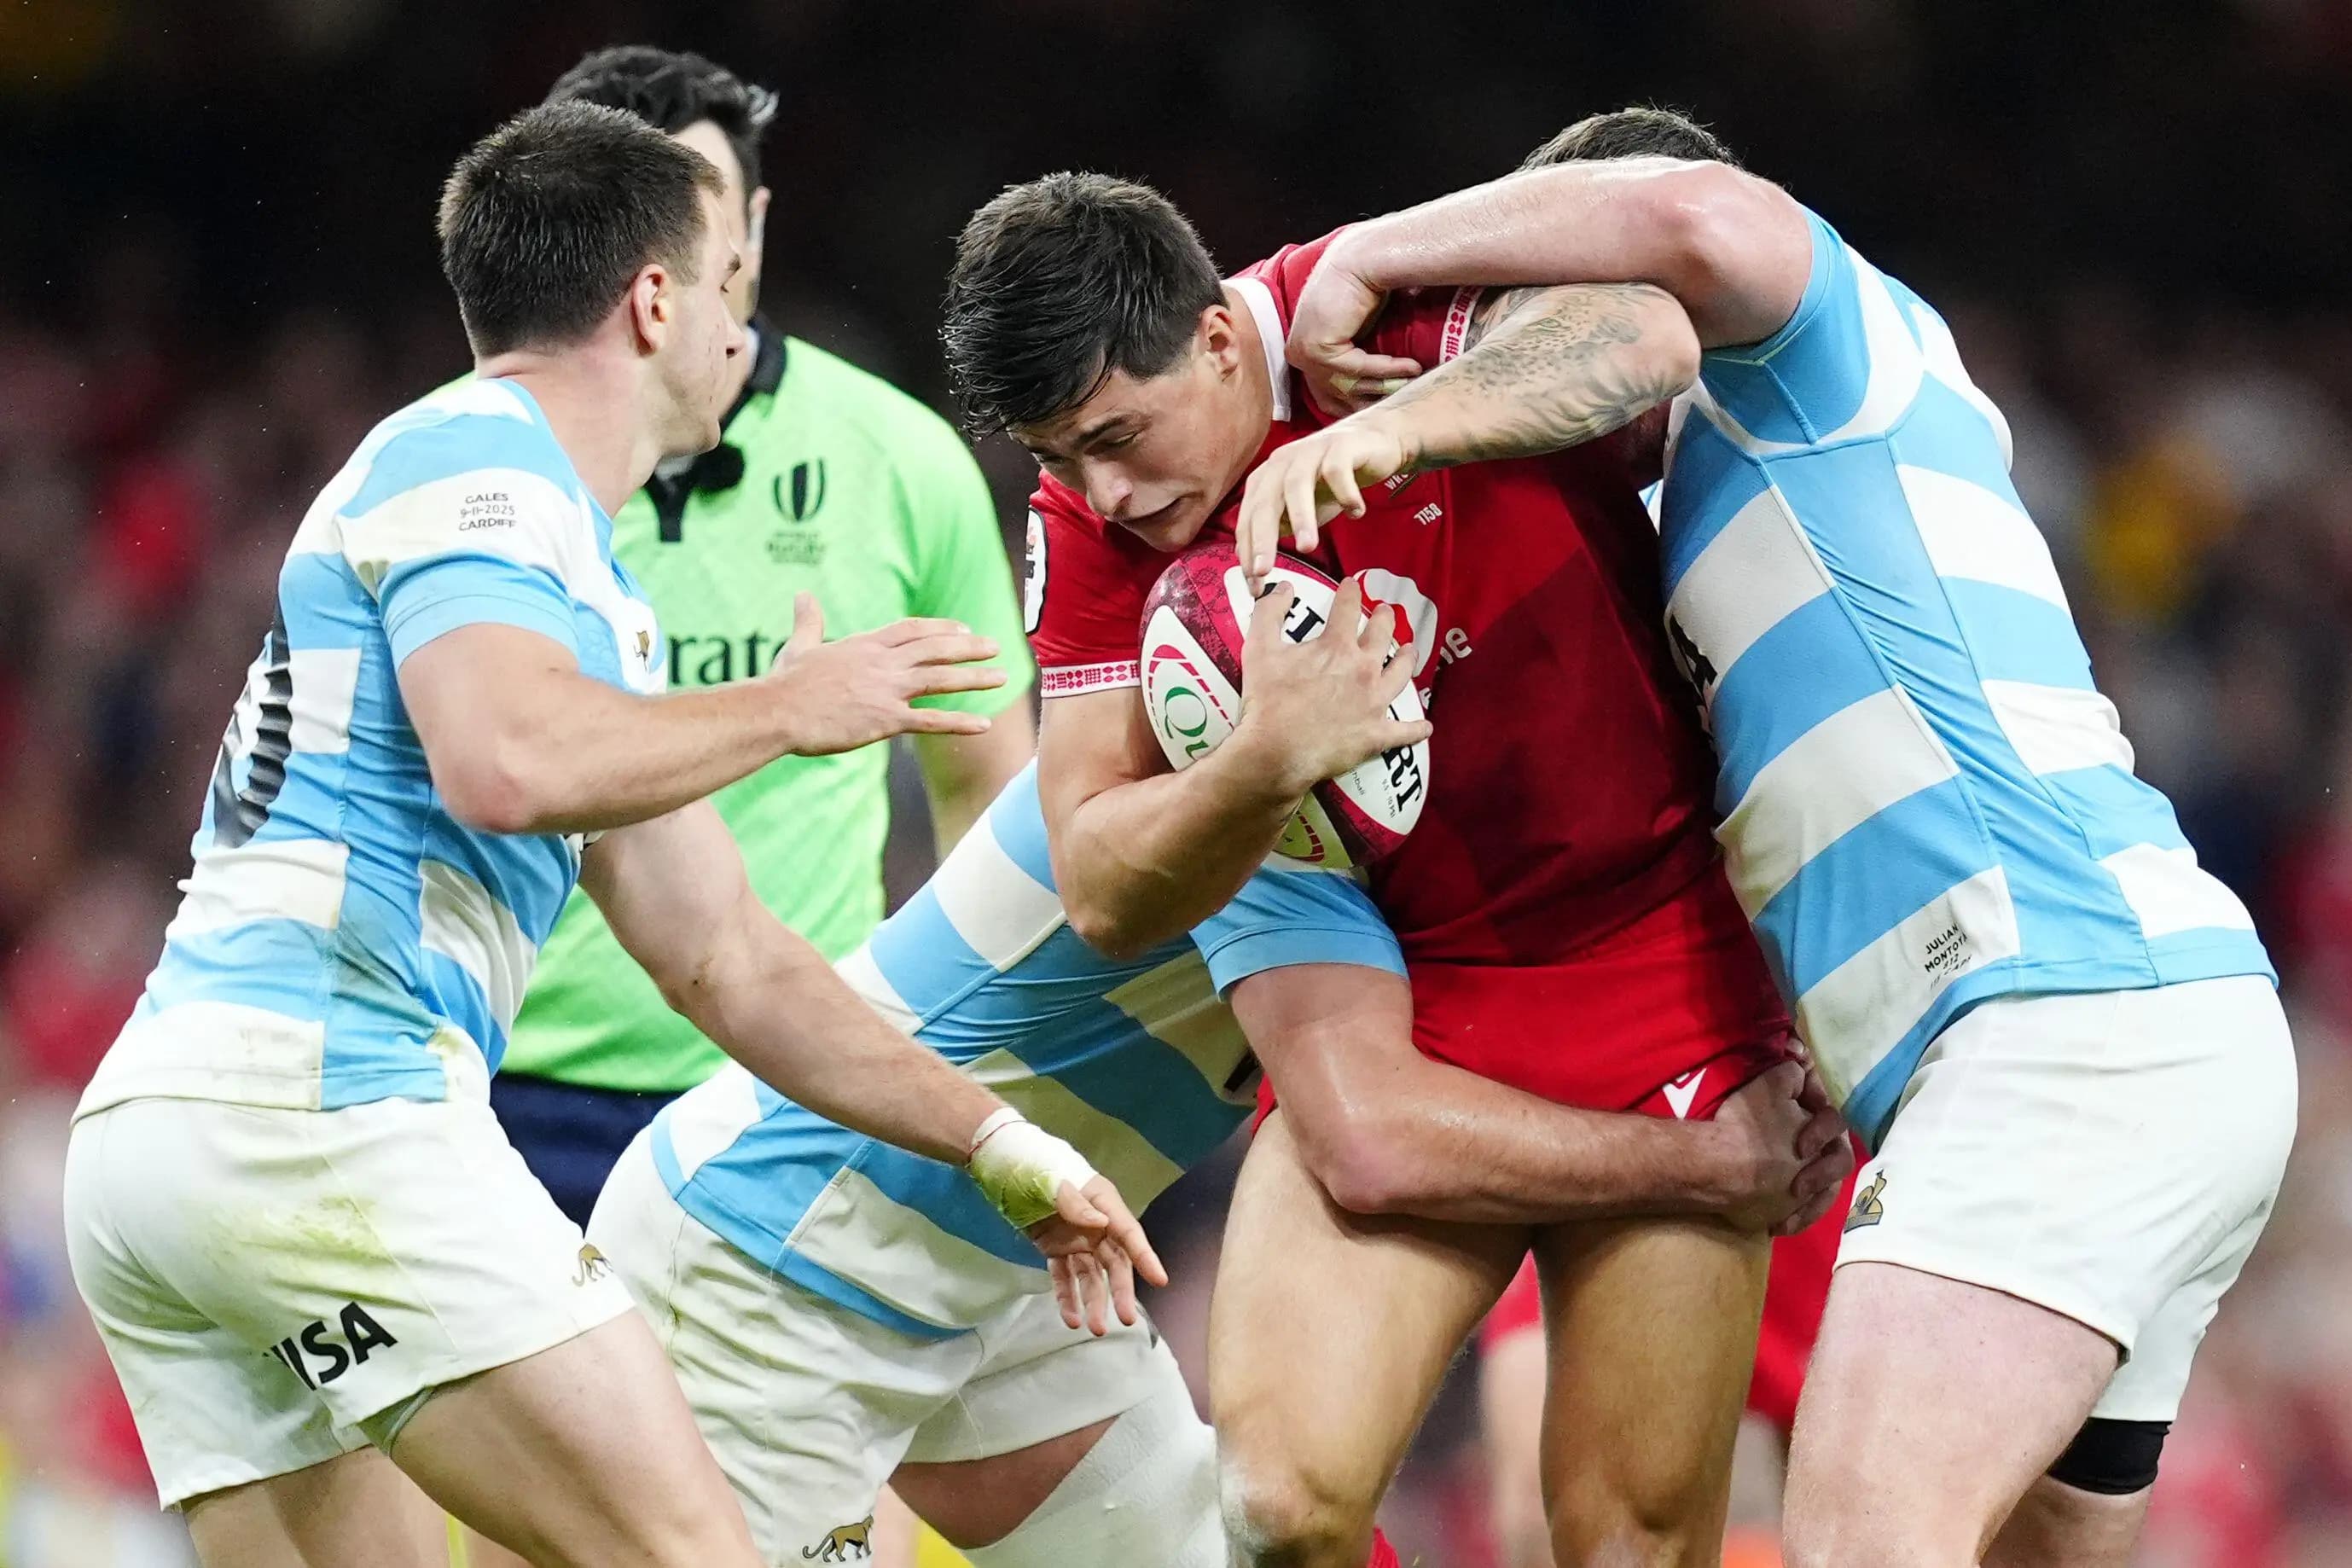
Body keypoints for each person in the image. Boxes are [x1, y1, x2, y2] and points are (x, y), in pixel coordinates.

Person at [60, 103, 1151, 1568]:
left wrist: (999, 1142)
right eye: (722, 289)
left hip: (179, 1143)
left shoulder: (564, 574)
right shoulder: (478, 468)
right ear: (654, 300)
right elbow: (503, 762)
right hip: (321, 1116)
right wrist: (787, 704)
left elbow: (727, 959)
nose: (735, 325)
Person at [1265, 104, 2297, 1568]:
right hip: (2107, 1033)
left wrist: (1363, 253)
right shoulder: (1694, 506)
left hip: (2060, 1025)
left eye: (1522, 314)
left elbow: (1696, 215)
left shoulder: (1814, 362)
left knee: (1862, 1542)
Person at [944, 173, 1852, 1568]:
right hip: (1402, 984)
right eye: (1063, 456)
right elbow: (1103, 881)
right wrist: (1258, 765)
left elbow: (1652, 337)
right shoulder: (1094, 525)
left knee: (1622, 1544)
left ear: (1218, 338)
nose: (1106, 493)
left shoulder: (1368, 316)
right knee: (1276, 1511)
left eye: (1118, 436)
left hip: (1652, 952)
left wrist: (1403, 427)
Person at [586, 752, 1848, 1568]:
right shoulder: (1234, 763)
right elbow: (1370, 1136)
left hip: (1020, 1271)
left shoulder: (1404, 790)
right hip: (772, 1265)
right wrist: (1702, 1164)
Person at [485, 47, 1037, 1234]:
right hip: (503, 1087)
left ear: (753, 228)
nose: (675, 268)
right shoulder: (491, 482)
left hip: (788, 1087)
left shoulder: (902, 460)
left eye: (697, 213)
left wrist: (976, 1074)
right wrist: (782, 709)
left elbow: (989, 802)